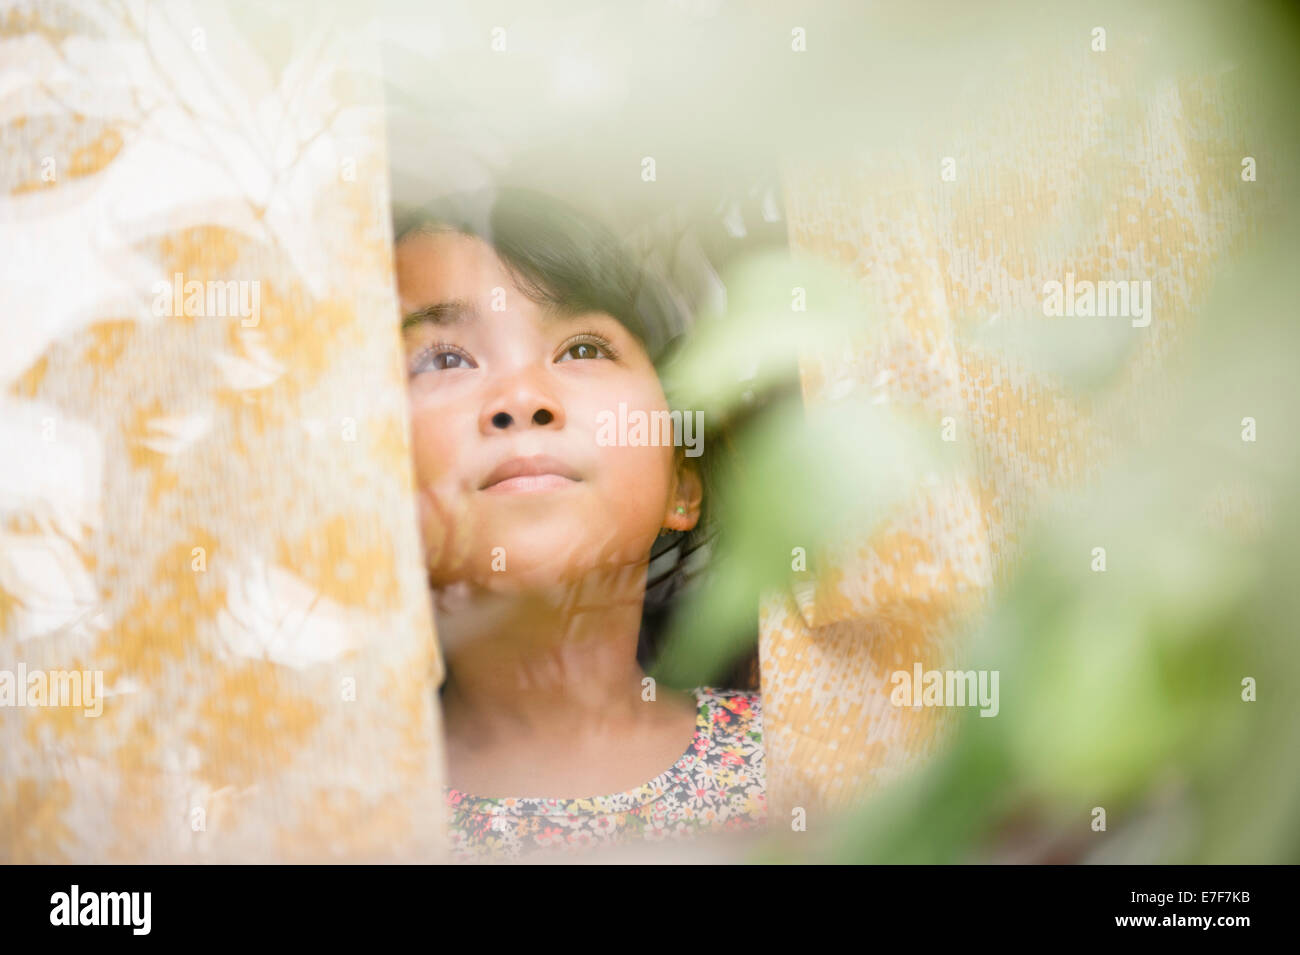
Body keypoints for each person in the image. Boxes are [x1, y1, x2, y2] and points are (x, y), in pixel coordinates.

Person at [394, 187, 765, 861]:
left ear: (683, 480)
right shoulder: (337, 812)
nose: (523, 399)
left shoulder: (813, 759)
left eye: (583, 348)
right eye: (445, 358)